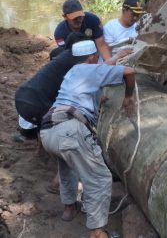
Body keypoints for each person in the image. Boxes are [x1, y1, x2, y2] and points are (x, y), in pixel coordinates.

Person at [40, 40, 135, 238]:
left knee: (67, 169)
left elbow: (100, 69)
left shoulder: (73, 72)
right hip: (70, 131)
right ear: (92, 56)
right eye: (96, 57)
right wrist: (128, 97)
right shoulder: (91, 70)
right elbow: (128, 71)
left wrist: (116, 57)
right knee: (99, 178)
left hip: (48, 131)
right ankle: (97, 231)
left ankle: (69, 209)